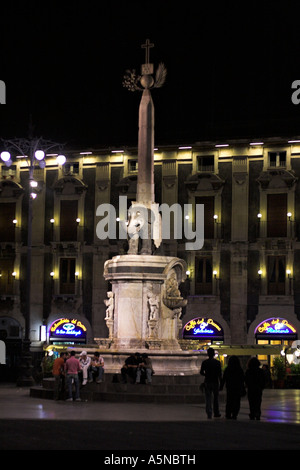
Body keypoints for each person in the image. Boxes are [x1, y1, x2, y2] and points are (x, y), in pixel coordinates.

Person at [200, 348, 222, 418]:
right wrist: (221, 383)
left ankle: (209, 413)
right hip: (215, 382)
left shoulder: (205, 362)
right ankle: (216, 412)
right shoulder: (217, 363)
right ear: (214, 354)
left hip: (207, 381)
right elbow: (219, 374)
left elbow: (201, 372)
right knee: (216, 398)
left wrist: (206, 375)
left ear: (208, 354)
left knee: (208, 398)